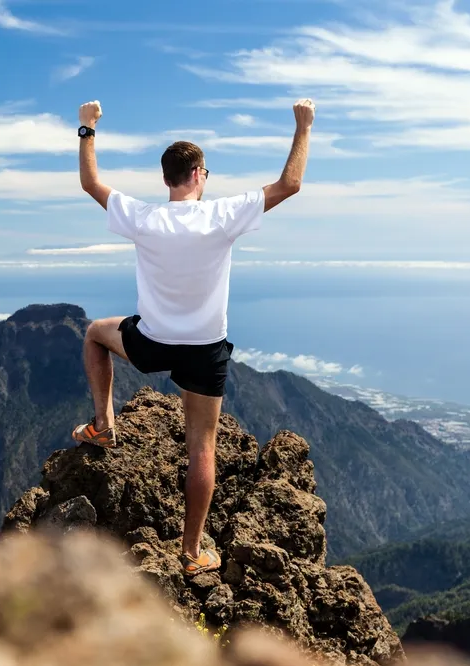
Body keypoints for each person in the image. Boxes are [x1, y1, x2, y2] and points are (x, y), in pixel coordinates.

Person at [71, 97, 315, 577]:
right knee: (202, 448)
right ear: (200, 174)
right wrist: (303, 125)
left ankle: (103, 424)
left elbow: (90, 183)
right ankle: (190, 552)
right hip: (205, 350)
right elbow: (291, 184)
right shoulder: (221, 216)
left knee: (95, 334)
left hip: (152, 341)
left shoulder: (144, 218)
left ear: (166, 179)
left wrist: (87, 128)